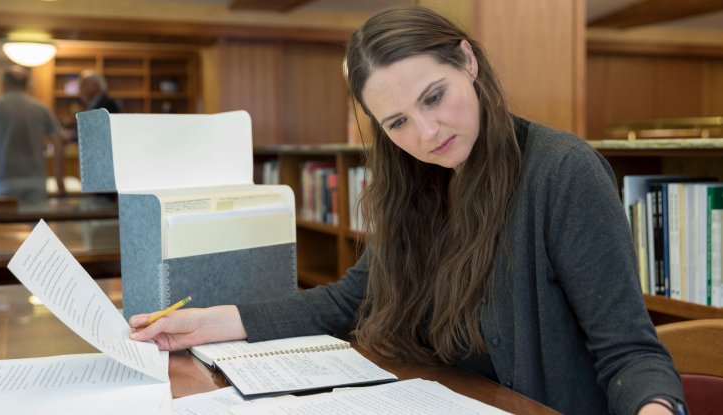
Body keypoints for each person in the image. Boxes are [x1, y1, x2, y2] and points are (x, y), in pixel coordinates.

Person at [127, 6, 687, 415]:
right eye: (396, 124)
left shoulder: (563, 172)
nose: (426, 134)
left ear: (467, 60)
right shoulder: (414, 182)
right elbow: (350, 300)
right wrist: (203, 324)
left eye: (434, 97)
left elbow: (630, 353)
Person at [0, 66, 65, 203]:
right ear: (27, 85)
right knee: (36, 223)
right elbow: (58, 142)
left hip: (4, 179)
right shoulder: (41, 108)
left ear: (4, 84)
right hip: (36, 181)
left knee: (2, 224)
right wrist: (59, 181)